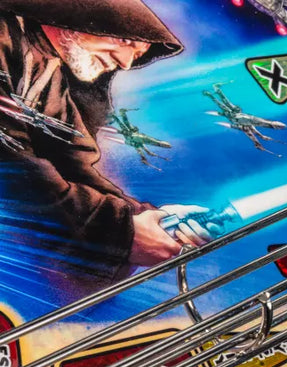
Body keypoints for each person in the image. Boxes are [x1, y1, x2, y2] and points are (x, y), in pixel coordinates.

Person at [0, 0, 209, 293]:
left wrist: (143, 216)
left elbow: (73, 161)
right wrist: (120, 230)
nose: (125, 62)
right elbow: (13, 166)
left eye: (137, 54)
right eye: (125, 41)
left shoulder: (49, 72)